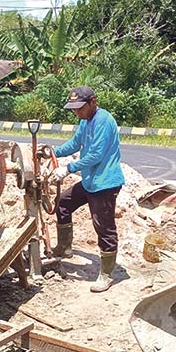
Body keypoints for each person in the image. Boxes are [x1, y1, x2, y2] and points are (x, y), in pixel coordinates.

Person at [50, 86, 125, 293]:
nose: (77, 112)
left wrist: (68, 168)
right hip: (91, 182)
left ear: (93, 102)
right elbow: (75, 143)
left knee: (104, 228)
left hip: (105, 184)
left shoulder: (103, 120)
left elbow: (96, 155)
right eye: (73, 109)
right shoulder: (85, 121)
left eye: (80, 108)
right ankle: (64, 248)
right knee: (63, 203)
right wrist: (53, 152)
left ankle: (107, 275)